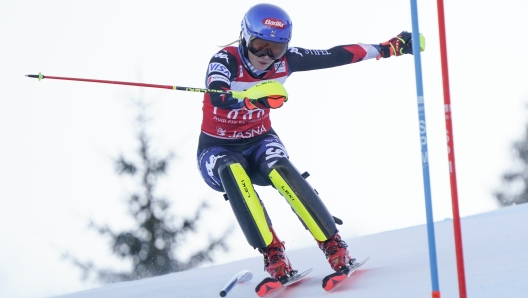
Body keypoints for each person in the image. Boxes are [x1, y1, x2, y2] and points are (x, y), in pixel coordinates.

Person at [197, 2, 423, 285]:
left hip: (260, 141)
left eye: (276, 48)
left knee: (278, 166)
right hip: (216, 148)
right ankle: (273, 254)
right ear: (244, 37)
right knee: (231, 169)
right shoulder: (225, 59)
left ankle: (334, 247)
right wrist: (251, 97)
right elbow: (218, 95)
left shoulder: (287, 60)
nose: (267, 55)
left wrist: (389, 47)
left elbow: (336, 55)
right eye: (259, 45)